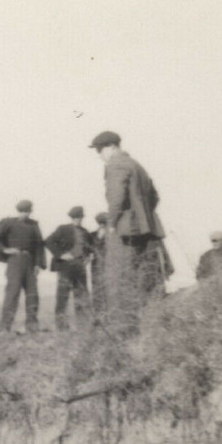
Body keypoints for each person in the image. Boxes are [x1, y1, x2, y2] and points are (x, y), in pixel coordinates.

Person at [90, 130, 168, 329]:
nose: (99, 155)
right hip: (147, 229)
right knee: (146, 277)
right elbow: (155, 196)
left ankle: (123, 327)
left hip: (125, 230)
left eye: (100, 149)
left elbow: (116, 198)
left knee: (119, 277)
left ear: (112, 147)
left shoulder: (115, 164)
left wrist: (112, 224)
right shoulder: (136, 164)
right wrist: (142, 216)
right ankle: (149, 323)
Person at [0, 200, 46, 334]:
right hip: (15, 261)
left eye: (27, 211)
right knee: (12, 293)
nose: (25, 214)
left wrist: (38, 264)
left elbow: (39, 245)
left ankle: (32, 327)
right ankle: (5, 328)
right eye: (23, 211)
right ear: (18, 211)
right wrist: (5, 250)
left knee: (32, 294)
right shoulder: (8, 222)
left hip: (30, 261)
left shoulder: (34, 225)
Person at [45, 206, 93, 331]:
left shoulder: (85, 232)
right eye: (75, 218)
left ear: (82, 218)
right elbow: (49, 241)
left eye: (80, 217)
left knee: (81, 295)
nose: (78, 220)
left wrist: (88, 256)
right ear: (72, 218)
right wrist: (61, 254)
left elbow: (89, 248)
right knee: (63, 295)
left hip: (80, 266)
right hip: (65, 266)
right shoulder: (63, 229)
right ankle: (61, 327)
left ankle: (83, 326)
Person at [90, 212, 110, 320]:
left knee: (108, 290)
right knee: (97, 291)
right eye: (100, 223)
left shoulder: (112, 235)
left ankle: (108, 316)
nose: (102, 225)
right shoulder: (92, 235)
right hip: (96, 266)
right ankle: (98, 317)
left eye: (104, 223)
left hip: (108, 265)